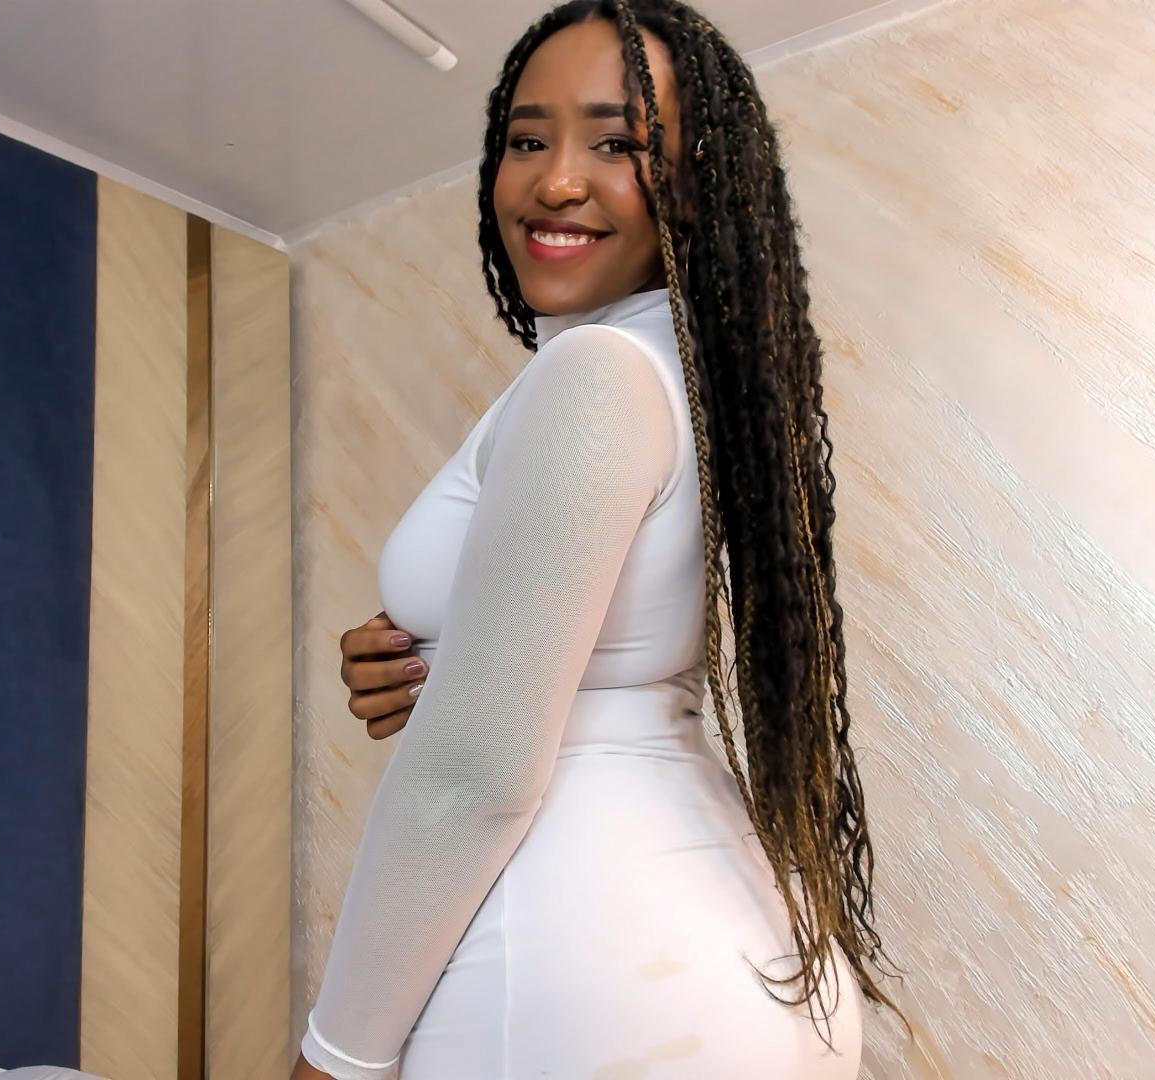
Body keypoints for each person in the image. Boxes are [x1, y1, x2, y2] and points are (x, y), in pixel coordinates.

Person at [294, 2, 900, 1076]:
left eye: (618, 144)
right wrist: (440, 655)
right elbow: (602, 647)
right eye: (527, 139)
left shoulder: (596, 374)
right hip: (725, 953)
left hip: (589, 973)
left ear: (700, 180)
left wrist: (334, 1058)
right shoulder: (686, 375)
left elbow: (475, 775)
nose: (557, 181)